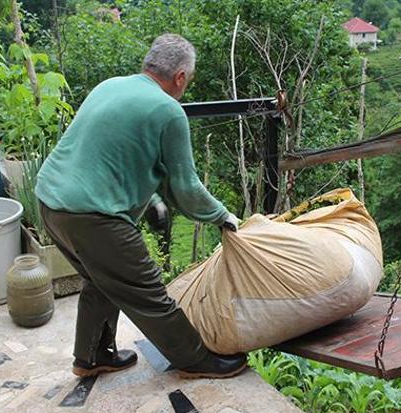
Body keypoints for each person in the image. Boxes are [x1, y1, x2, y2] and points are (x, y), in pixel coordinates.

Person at [35, 34, 245, 379]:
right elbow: (185, 186)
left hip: (50, 200)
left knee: (100, 280)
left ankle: (91, 357)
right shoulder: (168, 111)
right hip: (93, 215)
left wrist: (154, 200)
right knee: (147, 291)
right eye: (187, 81)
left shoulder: (110, 86)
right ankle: (194, 359)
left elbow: (122, 158)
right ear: (179, 77)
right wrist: (222, 216)